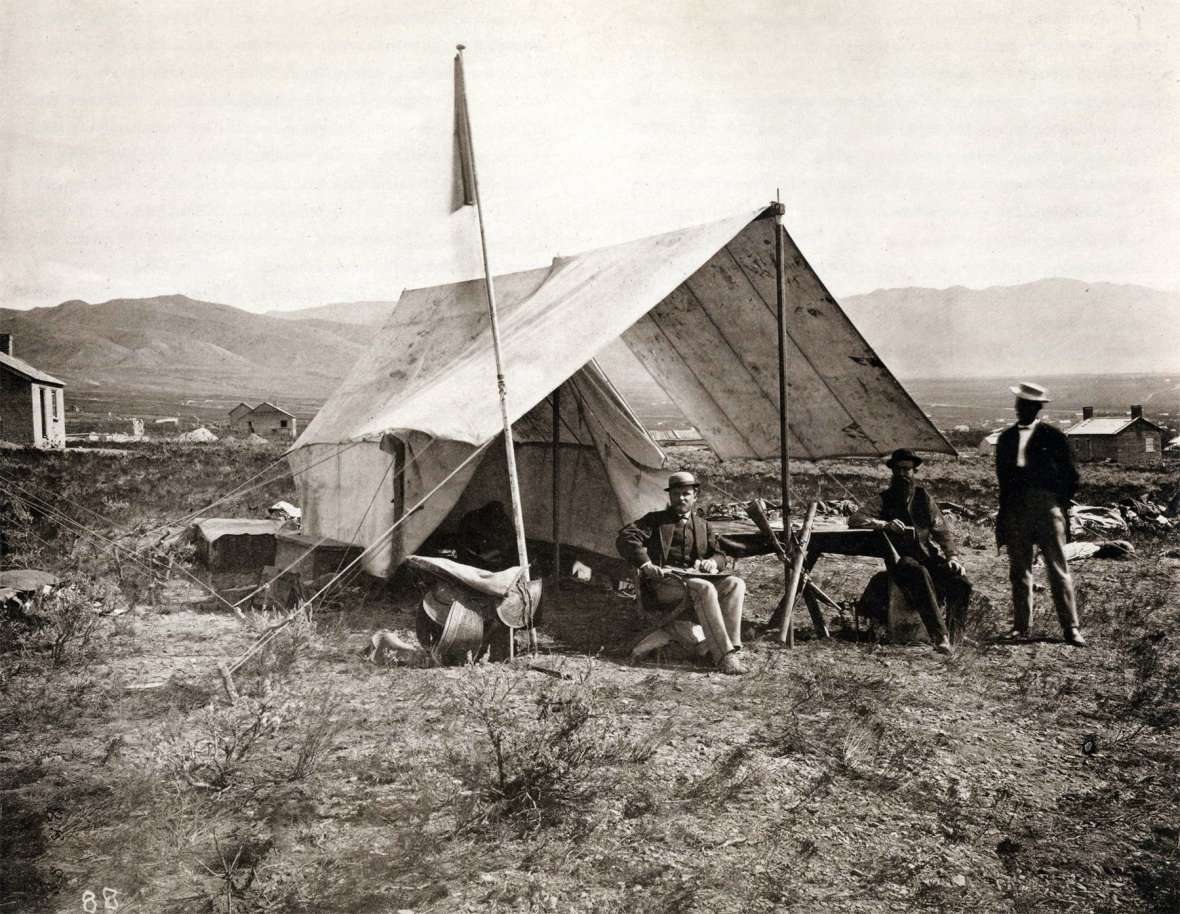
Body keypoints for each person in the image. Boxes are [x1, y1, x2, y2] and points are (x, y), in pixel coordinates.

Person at [616, 471, 748, 675]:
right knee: (704, 588)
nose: (681, 498)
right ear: (669, 496)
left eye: (686, 493)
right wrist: (646, 564)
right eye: (676, 494)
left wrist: (711, 562)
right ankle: (724, 657)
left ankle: (730, 647)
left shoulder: (703, 525)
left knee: (736, 584)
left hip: (693, 580)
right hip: (663, 583)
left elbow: (720, 554)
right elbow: (626, 537)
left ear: (696, 496)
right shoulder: (655, 520)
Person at [848, 448, 971, 654]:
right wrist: (884, 524)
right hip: (900, 561)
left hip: (928, 557)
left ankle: (956, 634)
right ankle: (940, 637)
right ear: (893, 472)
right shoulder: (883, 499)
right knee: (918, 572)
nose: (903, 474)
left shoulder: (924, 498)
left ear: (915, 472)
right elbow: (855, 520)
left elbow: (942, 531)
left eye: (908, 469)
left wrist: (953, 557)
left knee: (961, 581)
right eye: (899, 469)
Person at [995, 382, 1085, 646]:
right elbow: (1003, 480)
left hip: (1047, 508)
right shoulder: (1006, 439)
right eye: (1018, 404)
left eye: (1026, 405)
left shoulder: (1054, 437)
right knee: (1019, 570)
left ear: (1037, 408)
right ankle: (1021, 627)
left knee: (1058, 568)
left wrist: (1056, 503)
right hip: (1015, 510)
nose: (1020, 409)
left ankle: (1071, 629)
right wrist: (1004, 514)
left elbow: (1071, 476)